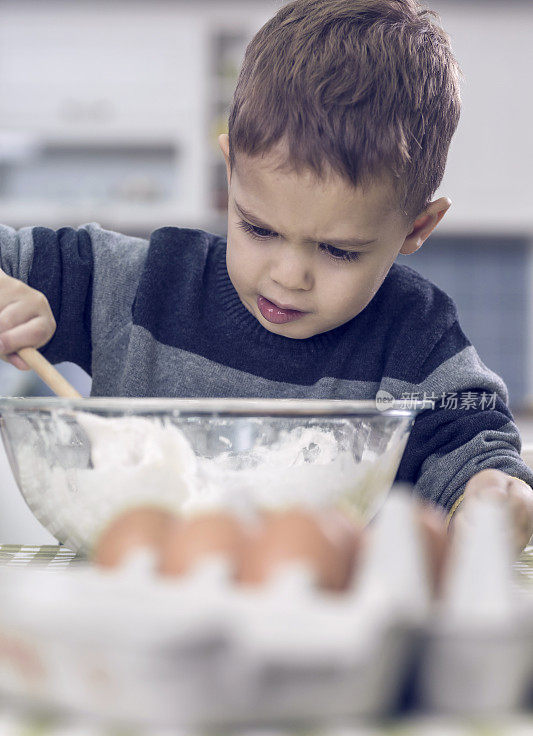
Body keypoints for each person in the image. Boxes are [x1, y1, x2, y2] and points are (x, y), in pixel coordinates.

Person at [0, 0, 532, 546]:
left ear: (418, 227)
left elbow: (474, 452)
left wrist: (489, 496)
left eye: (338, 251)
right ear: (230, 172)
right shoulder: (135, 284)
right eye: (258, 229)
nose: (289, 276)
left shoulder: (414, 338)